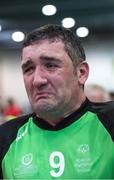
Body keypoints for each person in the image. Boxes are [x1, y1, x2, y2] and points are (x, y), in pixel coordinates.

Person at [0, 24, 114, 179]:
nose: (37, 80)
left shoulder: (109, 124)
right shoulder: (5, 137)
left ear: (81, 73)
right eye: (28, 69)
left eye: (51, 65)